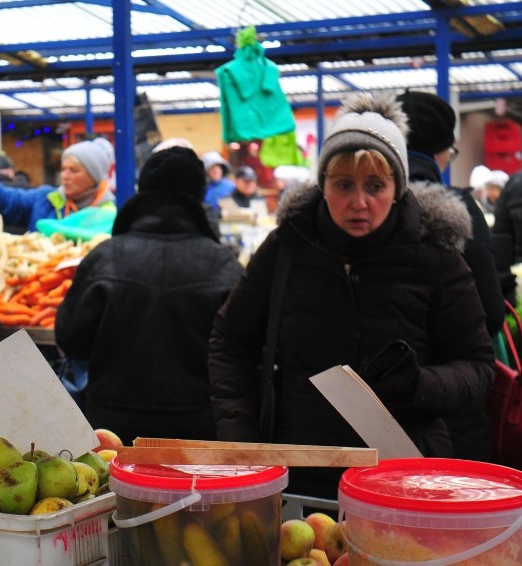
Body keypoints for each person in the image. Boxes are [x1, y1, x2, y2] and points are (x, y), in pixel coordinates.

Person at [209, 92, 495, 499]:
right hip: (299, 471)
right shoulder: (287, 247)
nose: (359, 203)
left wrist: (419, 385)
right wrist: (242, 443)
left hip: (403, 474)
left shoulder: (436, 259)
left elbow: (477, 366)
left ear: (397, 187)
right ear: (323, 185)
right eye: (343, 184)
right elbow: (229, 342)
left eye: (375, 186)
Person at [55, 147, 244, 444]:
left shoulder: (105, 258)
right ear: (198, 193)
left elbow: (70, 339)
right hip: (197, 427)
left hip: (112, 429)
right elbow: (242, 355)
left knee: (114, 491)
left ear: (143, 190)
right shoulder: (224, 265)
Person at [397, 90, 504, 338]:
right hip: (441, 367)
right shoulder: (459, 208)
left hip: (351, 372)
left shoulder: (352, 207)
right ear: (439, 152)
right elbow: (490, 312)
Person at [0, 138, 115, 232]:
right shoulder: (45, 199)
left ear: (93, 176)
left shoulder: (110, 212)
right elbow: (4, 201)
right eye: (63, 169)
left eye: (73, 171)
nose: (65, 176)